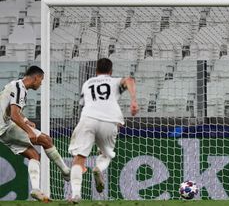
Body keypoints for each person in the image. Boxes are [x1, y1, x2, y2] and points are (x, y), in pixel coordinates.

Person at [68, 58, 139, 203]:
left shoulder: (87, 83)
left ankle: (75, 194)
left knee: (79, 158)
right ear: (111, 71)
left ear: (96, 71)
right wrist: (133, 101)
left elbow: (82, 103)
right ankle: (99, 168)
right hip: (110, 120)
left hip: (88, 118)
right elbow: (130, 80)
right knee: (106, 154)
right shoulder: (114, 81)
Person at [0, 66, 70, 202]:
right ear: (36, 78)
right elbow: (14, 115)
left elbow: (10, 110)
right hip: (6, 127)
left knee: (33, 155)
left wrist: (26, 120)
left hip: (2, 130)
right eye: (41, 80)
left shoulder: (14, 85)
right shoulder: (20, 88)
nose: (41, 83)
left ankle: (36, 189)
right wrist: (29, 131)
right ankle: (66, 171)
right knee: (46, 140)